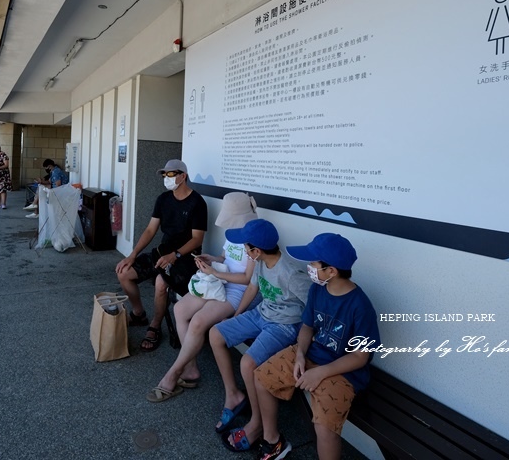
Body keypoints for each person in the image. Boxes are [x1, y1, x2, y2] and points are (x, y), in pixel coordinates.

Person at [254, 233, 380, 460]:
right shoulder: (317, 289)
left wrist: (320, 372)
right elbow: (307, 327)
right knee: (262, 377)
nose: (309, 267)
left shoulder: (360, 305)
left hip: (344, 372)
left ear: (331, 271)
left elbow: (361, 356)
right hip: (311, 355)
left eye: (313, 263)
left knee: (325, 429)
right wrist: (300, 354)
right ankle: (273, 442)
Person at [207, 218, 312, 452]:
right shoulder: (261, 262)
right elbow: (253, 288)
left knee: (247, 363)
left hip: (283, 326)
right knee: (216, 334)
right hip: (260, 314)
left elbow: (312, 310)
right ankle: (233, 394)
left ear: (255, 250)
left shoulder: (292, 274)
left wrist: (305, 345)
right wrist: (236, 316)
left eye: (246, 247)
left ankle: (256, 424)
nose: (244, 250)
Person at [146, 192, 259, 402]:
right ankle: (190, 367)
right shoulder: (233, 231)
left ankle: (173, 373)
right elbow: (225, 258)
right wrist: (211, 259)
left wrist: (214, 272)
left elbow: (247, 279)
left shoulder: (255, 236)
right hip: (218, 282)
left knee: (198, 321)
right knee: (180, 309)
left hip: (236, 290)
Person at [115, 159, 207, 352]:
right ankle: (139, 314)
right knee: (124, 272)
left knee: (160, 283)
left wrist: (176, 255)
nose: (167, 178)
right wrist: (132, 255)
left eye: (171, 174)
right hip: (163, 252)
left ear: (183, 176)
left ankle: (155, 326)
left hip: (187, 257)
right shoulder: (163, 199)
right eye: (165, 174)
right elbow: (150, 230)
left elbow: (197, 239)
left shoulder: (197, 203)